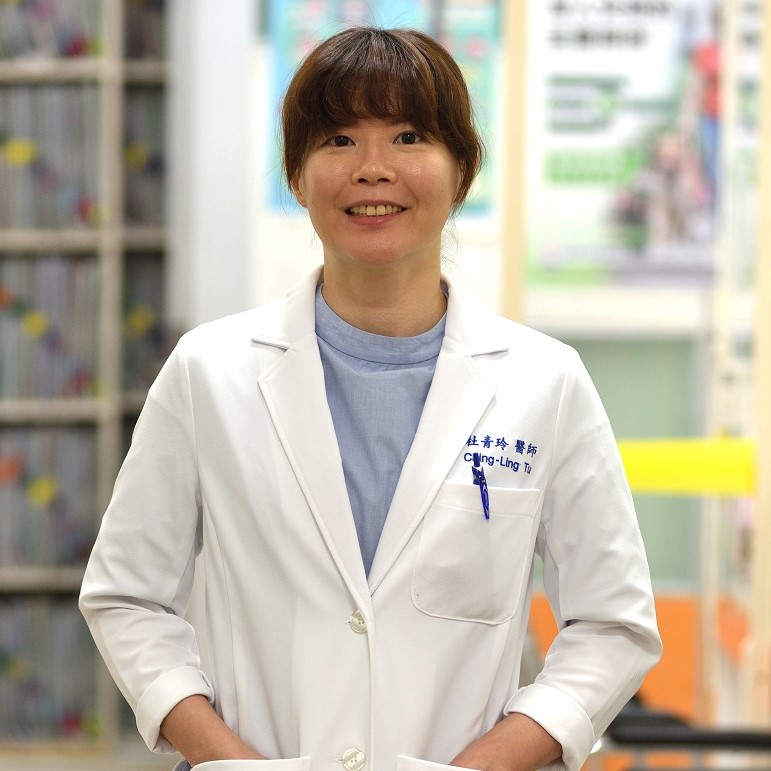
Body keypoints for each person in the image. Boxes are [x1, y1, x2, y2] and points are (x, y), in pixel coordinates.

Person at [80, 26, 661, 771]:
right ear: (297, 177)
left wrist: (486, 764)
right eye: (339, 140)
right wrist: (228, 758)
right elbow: (127, 597)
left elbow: (611, 623)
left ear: (461, 171)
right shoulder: (208, 372)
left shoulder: (544, 381)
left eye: (409, 136)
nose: (373, 168)